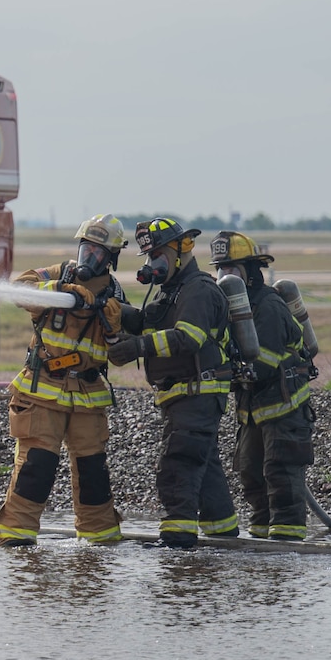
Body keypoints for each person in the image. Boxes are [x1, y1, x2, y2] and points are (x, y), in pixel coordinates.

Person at [0, 214, 127, 545]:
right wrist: (59, 290)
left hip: (88, 395)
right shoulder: (58, 274)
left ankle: (100, 542)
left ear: (110, 258)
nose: (88, 258)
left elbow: (121, 354)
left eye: (97, 253)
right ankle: (16, 538)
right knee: (36, 465)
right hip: (43, 389)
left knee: (93, 473)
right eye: (85, 249)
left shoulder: (116, 294)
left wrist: (114, 330)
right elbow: (18, 290)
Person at [105, 217, 238, 547]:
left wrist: (137, 347)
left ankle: (177, 543)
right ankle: (224, 537)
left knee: (177, 464)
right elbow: (149, 323)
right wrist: (115, 310)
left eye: (158, 255)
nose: (153, 263)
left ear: (182, 249)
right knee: (203, 466)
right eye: (149, 257)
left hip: (198, 392)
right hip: (184, 395)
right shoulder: (171, 292)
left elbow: (188, 338)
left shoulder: (198, 290)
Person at [212, 231, 316, 540]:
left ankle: (287, 539)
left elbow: (263, 362)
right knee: (250, 472)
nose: (224, 276)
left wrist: (224, 373)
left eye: (231, 268)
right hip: (253, 408)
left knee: (280, 470)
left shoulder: (268, 306)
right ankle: (260, 536)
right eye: (220, 269)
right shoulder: (235, 308)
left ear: (250, 270)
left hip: (284, 406)